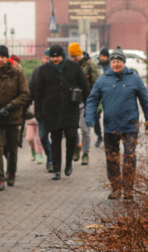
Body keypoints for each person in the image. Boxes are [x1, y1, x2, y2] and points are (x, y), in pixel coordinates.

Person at [85, 48, 148, 199]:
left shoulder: (134, 79)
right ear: (110, 63)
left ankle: (128, 189)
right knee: (112, 158)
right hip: (110, 127)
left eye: (118, 61)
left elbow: (145, 100)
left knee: (129, 157)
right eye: (113, 62)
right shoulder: (103, 80)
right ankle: (116, 188)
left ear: (124, 62)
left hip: (130, 126)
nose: (116, 64)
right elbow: (92, 100)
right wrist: (89, 117)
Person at [30, 44, 90, 180]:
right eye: (53, 57)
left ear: (62, 56)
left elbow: (85, 88)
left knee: (72, 136)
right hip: (52, 111)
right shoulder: (44, 70)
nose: (55, 60)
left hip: (71, 109)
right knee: (55, 140)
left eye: (57, 57)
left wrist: (88, 107)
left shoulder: (74, 67)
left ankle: (68, 163)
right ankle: (57, 169)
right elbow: (38, 93)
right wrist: (38, 112)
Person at [0, 45, 29, 190]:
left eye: (2, 57)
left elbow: (24, 93)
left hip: (13, 116)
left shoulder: (17, 73)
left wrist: (10, 106)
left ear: (7, 58)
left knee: (12, 148)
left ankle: (11, 172)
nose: (0, 59)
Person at [67, 43, 99, 167]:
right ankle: (76, 146)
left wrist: (96, 103)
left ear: (80, 54)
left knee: (85, 129)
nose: (74, 58)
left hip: (87, 101)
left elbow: (97, 84)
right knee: (72, 129)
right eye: (72, 56)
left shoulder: (90, 66)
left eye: (76, 55)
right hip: (72, 102)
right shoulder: (69, 67)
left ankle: (86, 153)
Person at [28, 49, 53, 171]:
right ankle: (50, 155)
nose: (47, 60)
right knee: (43, 136)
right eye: (46, 58)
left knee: (56, 137)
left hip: (55, 111)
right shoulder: (37, 71)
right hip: (42, 111)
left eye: (49, 58)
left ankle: (52, 160)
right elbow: (31, 89)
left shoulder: (57, 71)